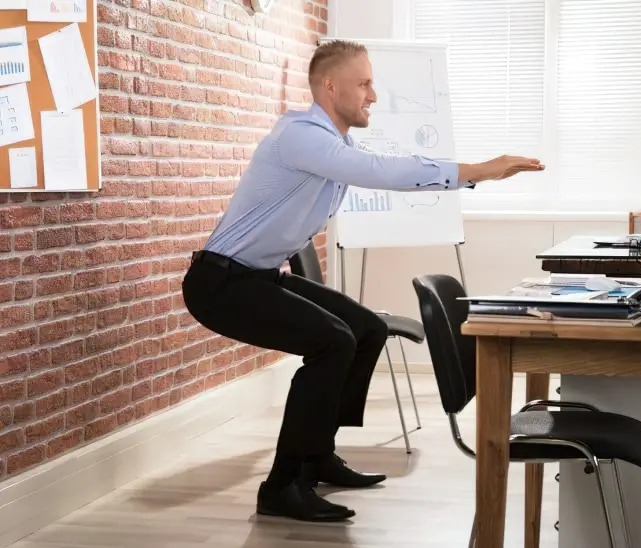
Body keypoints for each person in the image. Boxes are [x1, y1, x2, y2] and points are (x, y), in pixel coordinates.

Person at [181, 39, 545, 523]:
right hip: (219, 284)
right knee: (331, 342)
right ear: (330, 86)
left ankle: (317, 456)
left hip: (259, 275)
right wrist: (479, 170)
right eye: (365, 83)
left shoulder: (332, 143)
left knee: (365, 328)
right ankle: (282, 485)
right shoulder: (301, 137)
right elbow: (381, 171)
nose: (373, 95)